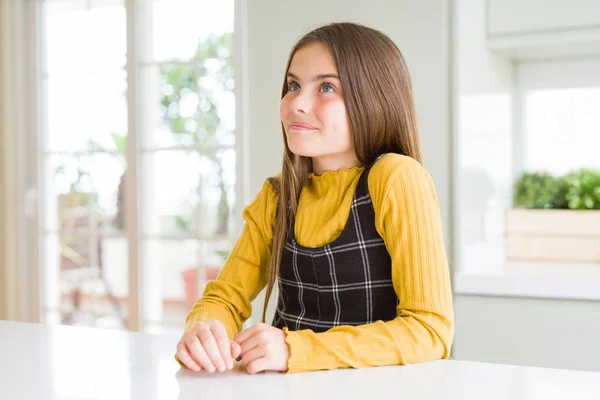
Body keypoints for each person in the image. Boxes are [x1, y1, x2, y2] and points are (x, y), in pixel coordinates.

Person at [175, 21, 454, 375]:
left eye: (326, 87)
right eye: (293, 85)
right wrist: (204, 330)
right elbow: (223, 298)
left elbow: (430, 331)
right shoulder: (277, 196)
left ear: (374, 97)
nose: (297, 104)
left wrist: (295, 350)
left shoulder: (397, 178)